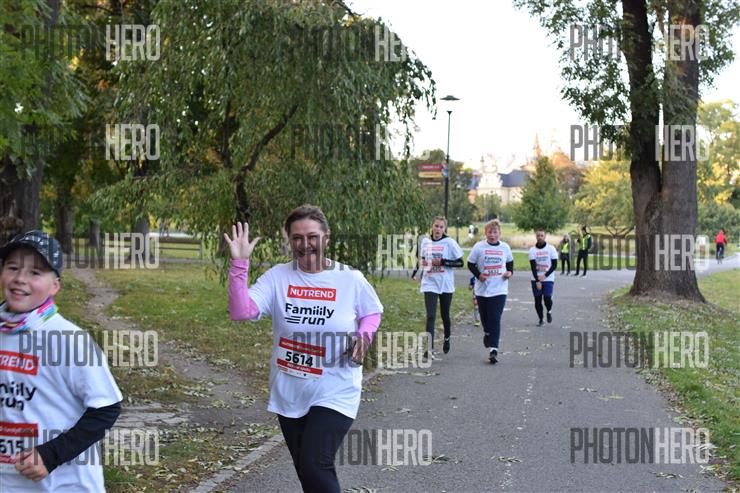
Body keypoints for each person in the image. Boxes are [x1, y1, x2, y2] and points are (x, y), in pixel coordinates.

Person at [225, 205, 383, 493]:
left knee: (315, 464)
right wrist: (239, 264)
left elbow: (372, 312)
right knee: (307, 471)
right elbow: (241, 311)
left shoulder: (349, 278)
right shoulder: (277, 277)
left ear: (326, 237)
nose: (305, 244)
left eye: (312, 236)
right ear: (289, 240)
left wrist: (364, 336)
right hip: (290, 389)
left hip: (335, 388)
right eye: (297, 238)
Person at [0, 230, 123, 492]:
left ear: (55, 286)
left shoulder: (68, 339)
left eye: (35, 272)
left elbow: (106, 409)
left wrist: (51, 454)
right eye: (12, 268)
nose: (20, 279)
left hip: (65, 485)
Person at [410, 216, 463, 357]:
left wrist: (443, 262)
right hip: (430, 283)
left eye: (441, 227)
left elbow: (460, 263)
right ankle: (429, 349)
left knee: (445, 315)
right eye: (436, 226)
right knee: (431, 316)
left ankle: (447, 338)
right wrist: (416, 272)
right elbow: (422, 260)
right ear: (432, 226)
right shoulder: (425, 242)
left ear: (444, 229)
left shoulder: (450, 243)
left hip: (445, 284)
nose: (438, 229)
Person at [467, 219, 514, 364]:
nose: (492, 235)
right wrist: (478, 275)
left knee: (495, 318)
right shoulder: (479, 247)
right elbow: (470, 264)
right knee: (485, 318)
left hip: (499, 289)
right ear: (485, 233)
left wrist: (509, 273)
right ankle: (487, 332)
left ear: (499, 233)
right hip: (482, 289)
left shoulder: (505, 247)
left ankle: (494, 350)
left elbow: (510, 264)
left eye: (495, 232)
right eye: (489, 232)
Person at [528, 229, 559, 326]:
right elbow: (533, 267)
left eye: (542, 235)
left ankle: (549, 311)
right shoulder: (532, 250)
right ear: (536, 237)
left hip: (548, 278)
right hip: (536, 278)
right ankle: (541, 319)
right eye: (538, 235)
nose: (540, 237)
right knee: (537, 300)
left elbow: (554, 265)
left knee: (547, 298)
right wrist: (537, 280)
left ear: (545, 237)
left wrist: (544, 276)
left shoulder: (551, 249)